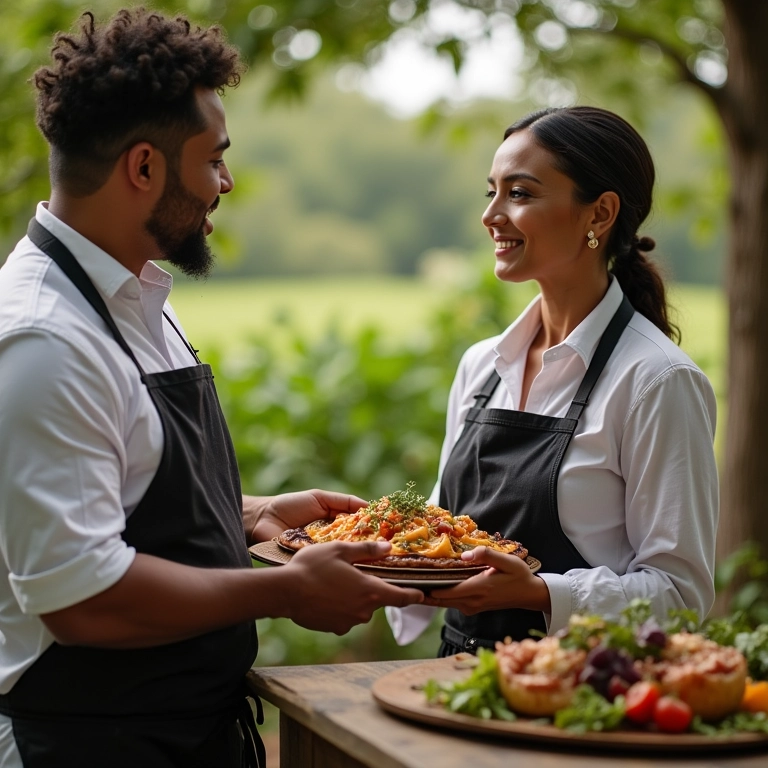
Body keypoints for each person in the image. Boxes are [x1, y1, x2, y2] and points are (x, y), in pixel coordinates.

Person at [0, 9, 424, 767]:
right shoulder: (44, 340)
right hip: (86, 745)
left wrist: (252, 514)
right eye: (214, 160)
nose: (224, 184)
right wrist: (287, 591)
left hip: (184, 734)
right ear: (143, 168)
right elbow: (81, 599)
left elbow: (121, 494)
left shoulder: (135, 296)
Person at [386, 106, 718, 656]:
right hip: (455, 684)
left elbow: (680, 599)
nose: (493, 214)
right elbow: (440, 540)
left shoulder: (657, 382)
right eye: (490, 192)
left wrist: (542, 593)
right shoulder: (481, 366)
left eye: (519, 193)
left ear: (600, 213)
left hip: (576, 697)